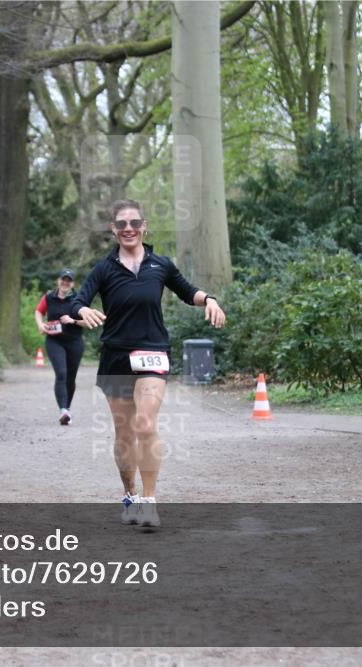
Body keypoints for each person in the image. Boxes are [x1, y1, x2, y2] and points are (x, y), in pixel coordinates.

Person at [71, 199, 226, 527]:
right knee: (125, 433)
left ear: (144, 227)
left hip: (152, 353)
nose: (129, 229)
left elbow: (188, 292)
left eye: (135, 223)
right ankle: (129, 493)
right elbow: (78, 300)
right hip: (115, 356)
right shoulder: (104, 269)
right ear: (114, 230)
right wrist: (81, 310)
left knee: (145, 424)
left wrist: (210, 299)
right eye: (122, 224)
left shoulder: (161, 265)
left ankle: (149, 501)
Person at [34, 269, 84, 425]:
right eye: (63, 279)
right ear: (59, 281)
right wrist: (40, 325)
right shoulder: (49, 297)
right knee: (61, 374)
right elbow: (38, 311)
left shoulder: (78, 299)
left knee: (71, 377)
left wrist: (72, 321)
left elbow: (89, 322)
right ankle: (63, 410)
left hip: (75, 342)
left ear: (72, 284)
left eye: (69, 280)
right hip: (54, 341)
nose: (65, 283)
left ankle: (66, 409)